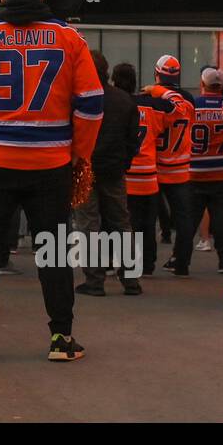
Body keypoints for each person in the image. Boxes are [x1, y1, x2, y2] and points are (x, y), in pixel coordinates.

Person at [0, 0, 102, 361]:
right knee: (52, 249)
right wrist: (78, 156)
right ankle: (61, 339)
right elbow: (91, 105)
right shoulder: (70, 39)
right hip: (50, 163)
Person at [74, 52, 140, 296]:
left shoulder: (78, 100)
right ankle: (131, 280)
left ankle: (94, 280)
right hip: (114, 170)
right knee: (121, 223)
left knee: (88, 224)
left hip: (84, 169)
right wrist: (124, 163)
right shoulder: (124, 100)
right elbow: (133, 139)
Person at [119, 63, 173, 283]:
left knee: (123, 223)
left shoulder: (118, 105)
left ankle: (123, 263)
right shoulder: (154, 107)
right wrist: (158, 91)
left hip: (126, 173)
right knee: (148, 224)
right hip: (149, 173)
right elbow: (178, 110)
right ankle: (148, 264)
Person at [189, 67, 223, 274]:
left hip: (196, 169)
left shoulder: (192, 105)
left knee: (190, 217)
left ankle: (180, 259)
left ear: (202, 84)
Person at [150, 56, 195, 277]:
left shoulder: (153, 98)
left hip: (155, 166)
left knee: (146, 217)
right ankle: (182, 262)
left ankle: (146, 262)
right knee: (184, 218)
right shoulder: (189, 100)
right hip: (180, 166)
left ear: (157, 74)